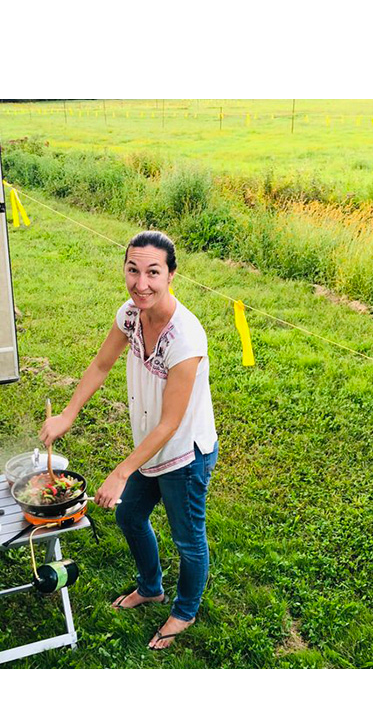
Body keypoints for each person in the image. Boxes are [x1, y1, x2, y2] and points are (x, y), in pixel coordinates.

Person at [40, 230, 218, 650]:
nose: (141, 284)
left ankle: (185, 611)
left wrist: (122, 472)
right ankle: (151, 587)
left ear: (171, 274)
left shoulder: (185, 339)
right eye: (133, 270)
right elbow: (101, 365)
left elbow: (170, 423)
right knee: (130, 517)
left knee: (188, 539)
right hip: (150, 450)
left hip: (182, 455)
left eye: (153, 272)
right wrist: (68, 413)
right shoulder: (130, 314)